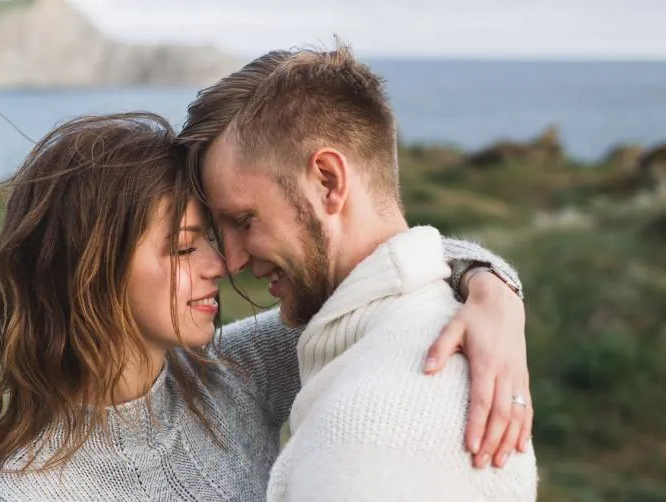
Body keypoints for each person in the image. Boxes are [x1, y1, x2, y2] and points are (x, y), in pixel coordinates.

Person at [0, 110, 529, 502]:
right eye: (184, 247)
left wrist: (492, 288)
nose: (222, 262)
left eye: (210, 235)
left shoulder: (233, 373)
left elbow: (378, 271)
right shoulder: (26, 492)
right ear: (88, 270)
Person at [178, 45, 537, 501]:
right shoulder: (365, 329)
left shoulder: (373, 432)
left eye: (245, 221)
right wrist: (488, 281)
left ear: (328, 182)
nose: (230, 262)